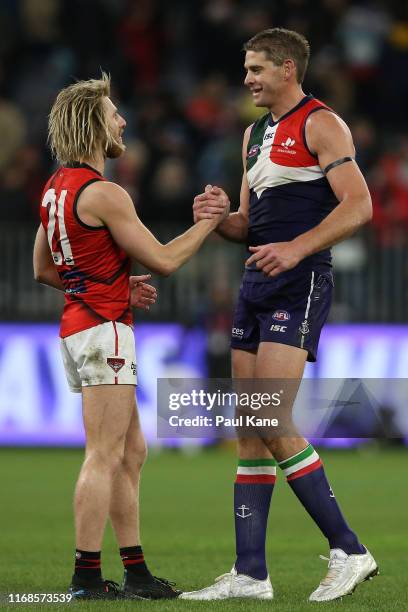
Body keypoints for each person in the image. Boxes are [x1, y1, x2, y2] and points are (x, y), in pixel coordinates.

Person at [180, 28, 378, 603]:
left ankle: (351, 550)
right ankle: (250, 572)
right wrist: (219, 218)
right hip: (256, 284)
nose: (246, 79)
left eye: (255, 69)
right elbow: (250, 224)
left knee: (271, 418)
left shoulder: (323, 124)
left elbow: (360, 204)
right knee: (248, 428)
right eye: (247, 69)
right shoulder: (252, 134)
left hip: (300, 282)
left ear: (287, 68)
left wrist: (296, 249)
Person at [33, 73, 228, 601]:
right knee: (104, 453)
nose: (122, 121)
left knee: (131, 450)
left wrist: (114, 282)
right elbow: (165, 259)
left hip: (82, 326)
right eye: (115, 114)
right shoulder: (104, 192)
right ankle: (86, 578)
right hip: (103, 332)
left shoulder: (56, 189)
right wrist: (211, 222)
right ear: (96, 125)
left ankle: (136, 572)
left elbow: (44, 269)